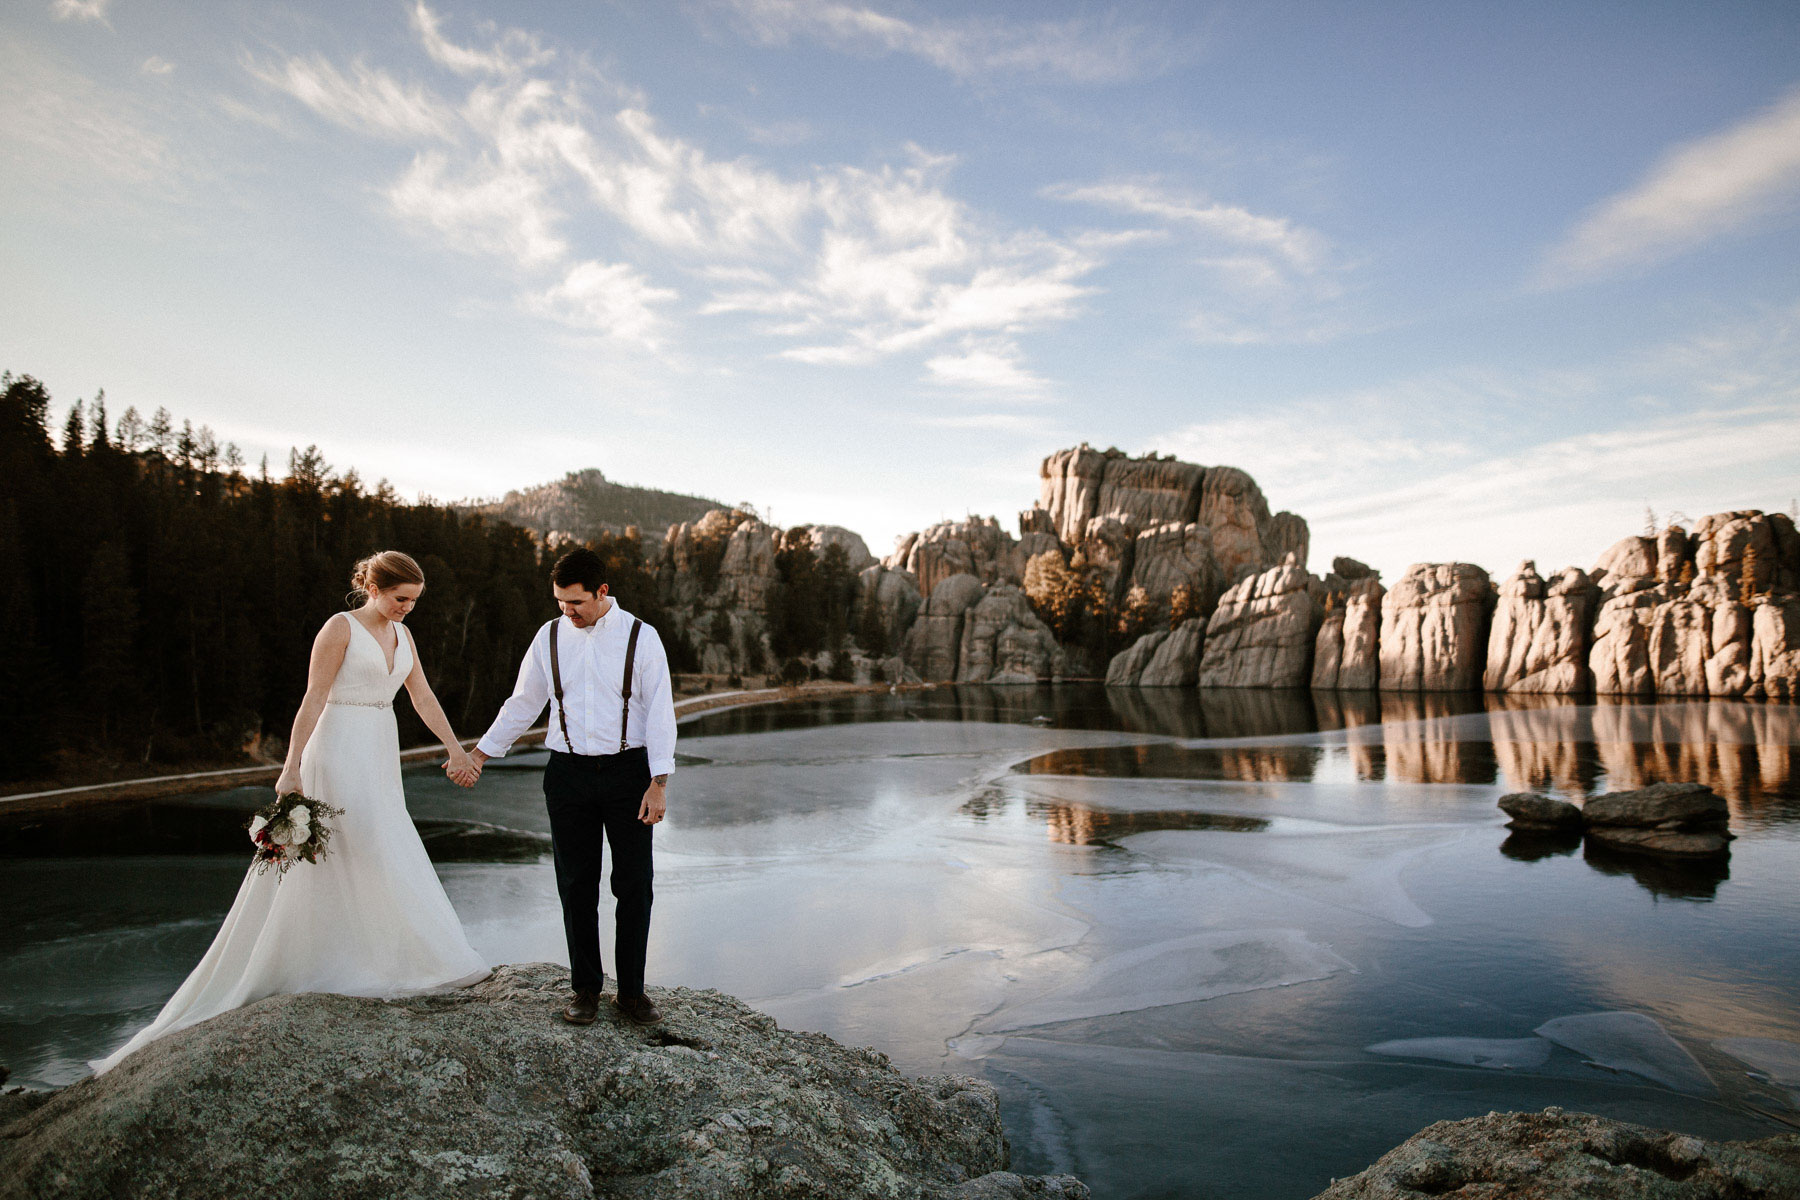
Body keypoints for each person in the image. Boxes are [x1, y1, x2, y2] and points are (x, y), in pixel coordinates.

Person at [90, 551, 490, 1075]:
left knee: (384, 840)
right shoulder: (339, 628)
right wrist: (290, 767)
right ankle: (323, 959)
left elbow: (422, 695)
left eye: (414, 601)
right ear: (374, 587)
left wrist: (456, 749)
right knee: (345, 847)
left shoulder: (405, 636)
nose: (407, 609)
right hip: (339, 743)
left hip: (378, 746)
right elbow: (313, 699)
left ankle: (402, 956)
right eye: (400, 599)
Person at [465, 547, 675, 1026]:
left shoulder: (642, 637)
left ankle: (633, 994)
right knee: (575, 884)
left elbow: (661, 712)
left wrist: (658, 782)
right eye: (559, 602)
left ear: (602, 592)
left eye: (575, 603)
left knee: (634, 886)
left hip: (629, 774)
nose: (566, 611)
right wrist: (480, 754)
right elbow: (523, 703)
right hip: (567, 774)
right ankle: (584, 990)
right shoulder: (549, 636)